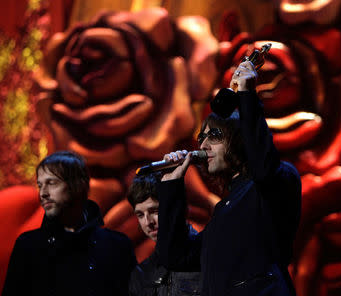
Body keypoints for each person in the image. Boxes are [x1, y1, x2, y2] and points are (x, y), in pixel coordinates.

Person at [155, 60, 302, 296]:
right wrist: (171, 185)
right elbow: (175, 256)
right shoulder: (226, 208)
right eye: (201, 138)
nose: (202, 145)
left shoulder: (275, 180)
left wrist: (246, 95)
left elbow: (263, 168)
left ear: (241, 138)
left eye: (213, 135)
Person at [1, 151, 136, 296]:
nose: (43, 193)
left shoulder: (117, 245)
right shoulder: (27, 244)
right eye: (40, 185)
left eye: (52, 183)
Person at [127, 173, 201, 296]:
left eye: (154, 211)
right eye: (140, 215)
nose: (148, 222)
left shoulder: (205, 254)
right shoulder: (141, 274)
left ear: (173, 209)